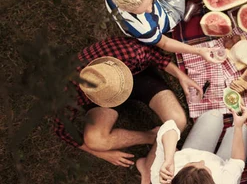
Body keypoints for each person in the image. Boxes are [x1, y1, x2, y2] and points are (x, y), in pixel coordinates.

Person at [53, 37, 200, 169]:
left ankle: (155, 154)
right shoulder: (67, 94)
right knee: (95, 141)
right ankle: (152, 136)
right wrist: (100, 153)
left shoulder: (129, 52)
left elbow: (156, 57)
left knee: (178, 121)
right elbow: (62, 130)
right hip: (100, 100)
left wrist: (181, 76)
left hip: (138, 78)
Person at [139, 108, 247, 184]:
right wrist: (238, 127)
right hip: (223, 163)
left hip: (193, 150)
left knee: (213, 115)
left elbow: (169, 126)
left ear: (175, 179)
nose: (202, 161)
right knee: (244, 129)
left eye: (191, 164)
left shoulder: (161, 176)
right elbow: (237, 161)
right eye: (206, 169)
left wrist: (168, 158)